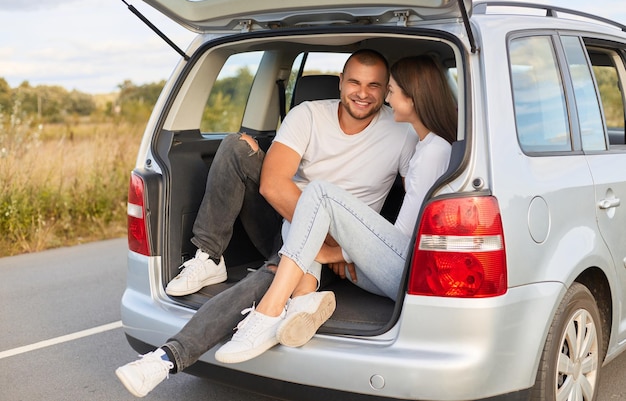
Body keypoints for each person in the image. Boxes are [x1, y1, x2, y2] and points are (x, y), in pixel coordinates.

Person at [115, 49, 419, 397]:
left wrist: (346, 247)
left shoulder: (402, 133)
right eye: (354, 82)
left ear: (386, 91)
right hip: (291, 222)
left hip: (342, 240)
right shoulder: (308, 114)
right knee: (235, 147)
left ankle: (167, 358)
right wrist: (322, 245)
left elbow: (415, 200)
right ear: (340, 83)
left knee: (276, 272)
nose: (362, 93)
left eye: (374, 85)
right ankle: (210, 256)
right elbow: (273, 185)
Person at [214, 55, 458, 363]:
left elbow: (407, 238)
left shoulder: (435, 151)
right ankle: (303, 305)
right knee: (303, 214)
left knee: (317, 192)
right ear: (342, 81)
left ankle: (267, 313)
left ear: (414, 98)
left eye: (389, 90)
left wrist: (339, 252)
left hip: (405, 271)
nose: (387, 99)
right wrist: (338, 247)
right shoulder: (425, 145)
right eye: (390, 90)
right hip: (382, 263)